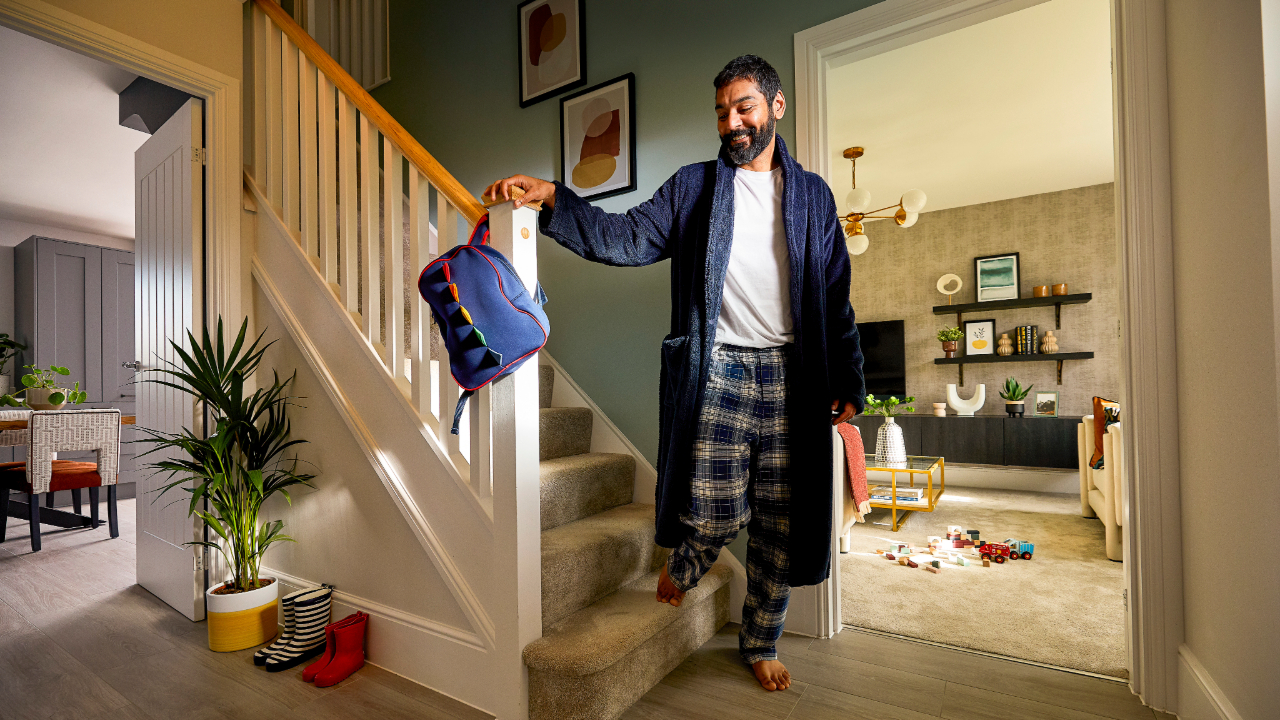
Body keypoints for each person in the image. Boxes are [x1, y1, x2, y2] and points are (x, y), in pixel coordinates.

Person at [484, 54, 864, 692]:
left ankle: (760, 640)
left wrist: (848, 380)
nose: (732, 122)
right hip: (718, 369)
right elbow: (627, 236)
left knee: (779, 519)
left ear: (775, 106)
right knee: (712, 506)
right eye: (722, 111)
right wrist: (555, 201)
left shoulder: (813, 196)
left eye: (744, 107)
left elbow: (835, 293)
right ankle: (689, 563)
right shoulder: (695, 187)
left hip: (794, 378)